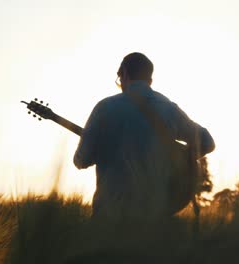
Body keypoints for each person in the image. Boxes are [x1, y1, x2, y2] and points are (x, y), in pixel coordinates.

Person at [73, 52, 215, 220]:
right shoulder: (168, 108)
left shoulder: (104, 108)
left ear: (124, 73)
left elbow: (81, 160)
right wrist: (181, 158)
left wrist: (101, 148)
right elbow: (207, 142)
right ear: (150, 79)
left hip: (110, 214)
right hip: (156, 217)